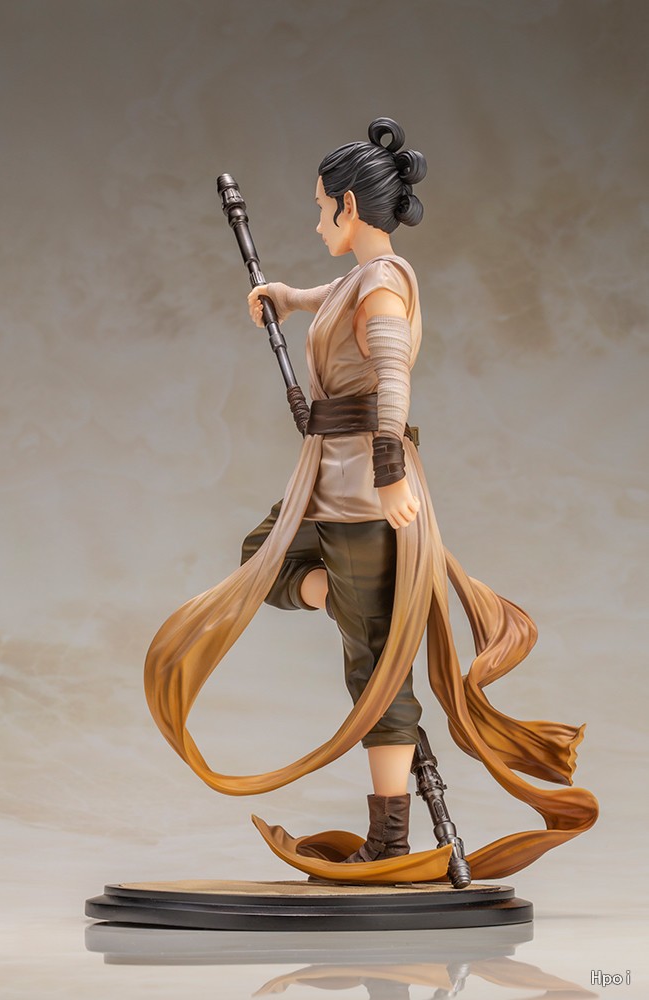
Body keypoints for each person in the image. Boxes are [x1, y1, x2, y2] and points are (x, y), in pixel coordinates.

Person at [144, 119, 597, 883]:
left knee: (375, 669)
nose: (316, 221)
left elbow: (391, 380)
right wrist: (285, 297)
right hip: (328, 479)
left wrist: (389, 470)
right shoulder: (367, 277)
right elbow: (329, 296)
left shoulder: (383, 286)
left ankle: (388, 838)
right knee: (263, 558)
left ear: (348, 205)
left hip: (363, 491)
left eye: (320, 208)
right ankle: (343, 603)